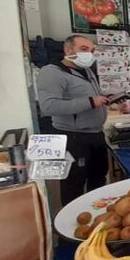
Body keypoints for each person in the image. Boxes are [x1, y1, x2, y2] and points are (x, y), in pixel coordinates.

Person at [36, 35, 109, 206]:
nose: (89, 54)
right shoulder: (52, 73)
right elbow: (49, 107)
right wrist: (91, 102)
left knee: (98, 178)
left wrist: (106, 98)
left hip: (95, 135)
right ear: (68, 50)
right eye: (84, 49)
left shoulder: (87, 71)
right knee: (74, 183)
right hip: (73, 138)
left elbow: (89, 96)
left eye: (92, 51)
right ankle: (70, 226)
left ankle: (95, 216)